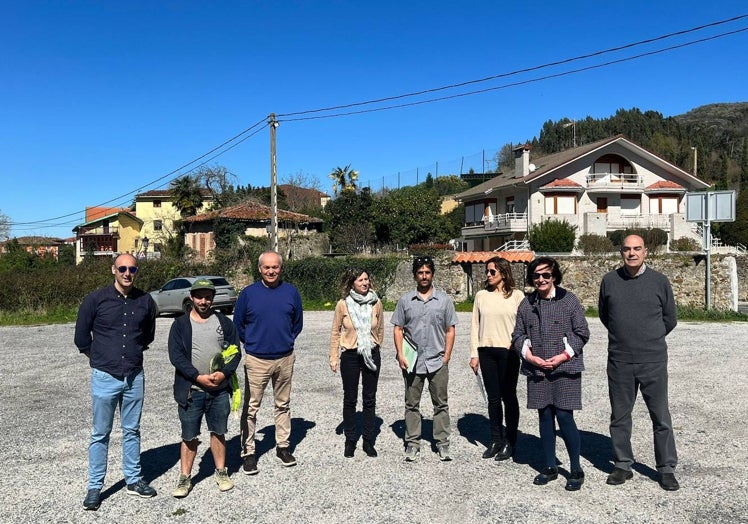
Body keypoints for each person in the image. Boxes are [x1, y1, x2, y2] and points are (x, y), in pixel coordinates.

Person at [74, 253, 158, 511]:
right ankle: (94, 487)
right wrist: (99, 358)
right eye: (122, 268)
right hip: (104, 376)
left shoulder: (145, 301)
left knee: (132, 430)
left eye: (132, 269)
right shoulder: (95, 300)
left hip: (134, 376)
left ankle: (133, 480)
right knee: (100, 433)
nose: (127, 273)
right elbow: (81, 338)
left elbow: (147, 336)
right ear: (114, 270)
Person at [598, 234, 679, 491]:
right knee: (620, 416)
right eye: (627, 249)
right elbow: (605, 316)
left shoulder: (659, 282)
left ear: (646, 252)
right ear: (621, 252)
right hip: (620, 360)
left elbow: (670, 319)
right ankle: (622, 464)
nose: (631, 253)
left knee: (660, 416)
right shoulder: (609, 281)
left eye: (637, 249)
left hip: (653, 360)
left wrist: (649, 339)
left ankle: (666, 468)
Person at [511, 257, 590, 491]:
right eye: (536, 275)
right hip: (538, 370)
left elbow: (582, 333)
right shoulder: (527, 304)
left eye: (546, 275)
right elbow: (517, 335)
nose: (541, 279)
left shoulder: (569, 301)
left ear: (554, 276)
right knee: (544, 416)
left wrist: (564, 356)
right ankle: (549, 466)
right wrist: (529, 356)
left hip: (565, 369)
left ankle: (575, 468)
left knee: (565, 417)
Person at [168, 278, 241, 498]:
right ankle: (185, 477)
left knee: (219, 432)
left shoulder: (224, 322)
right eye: (199, 296)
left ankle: (221, 471)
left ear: (212, 298)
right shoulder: (180, 324)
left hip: (218, 390)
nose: (203, 301)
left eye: (207, 297)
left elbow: (235, 351)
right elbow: (176, 357)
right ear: (191, 298)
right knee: (189, 435)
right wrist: (197, 377)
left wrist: (224, 373)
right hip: (192, 390)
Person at [234, 251, 303, 475]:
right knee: (251, 407)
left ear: (281, 268)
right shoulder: (248, 294)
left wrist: (286, 340)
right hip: (257, 359)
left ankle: (283, 446)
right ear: (260, 269)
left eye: (275, 267)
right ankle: (248, 452)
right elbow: (238, 325)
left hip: (284, 357)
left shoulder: (291, 292)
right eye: (267, 268)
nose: (271, 271)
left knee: (282, 404)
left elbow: (297, 323)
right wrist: (254, 343)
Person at [392, 256, 458, 462]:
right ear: (415, 275)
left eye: (427, 272)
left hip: (437, 360)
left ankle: (442, 443)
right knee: (412, 404)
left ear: (432, 274)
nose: (424, 276)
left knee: (441, 404)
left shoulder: (444, 300)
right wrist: (401, 354)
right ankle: (412, 443)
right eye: (420, 273)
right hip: (413, 362)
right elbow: (398, 329)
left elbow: (450, 329)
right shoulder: (405, 301)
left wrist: (446, 355)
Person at [469, 257, 525, 461]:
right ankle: (495, 439)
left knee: (508, 397)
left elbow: (523, 324)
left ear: (503, 272)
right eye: (487, 272)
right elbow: (475, 325)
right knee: (492, 398)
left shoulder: (517, 296)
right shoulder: (481, 296)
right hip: (486, 351)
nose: (488, 275)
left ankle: (511, 441)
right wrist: (474, 353)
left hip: (508, 351)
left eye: (492, 271)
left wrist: (518, 344)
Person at [329, 268, 385, 458]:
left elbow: (381, 328)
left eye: (366, 279)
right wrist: (334, 356)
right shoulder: (343, 305)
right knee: (350, 398)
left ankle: (368, 440)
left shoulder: (376, 303)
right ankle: (350, 439)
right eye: (360, 280)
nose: (364, 283)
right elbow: (336, 332)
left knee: (369, 398)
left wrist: (376, 347)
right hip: (350, 356)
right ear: (352, 282)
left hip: (371, 353)